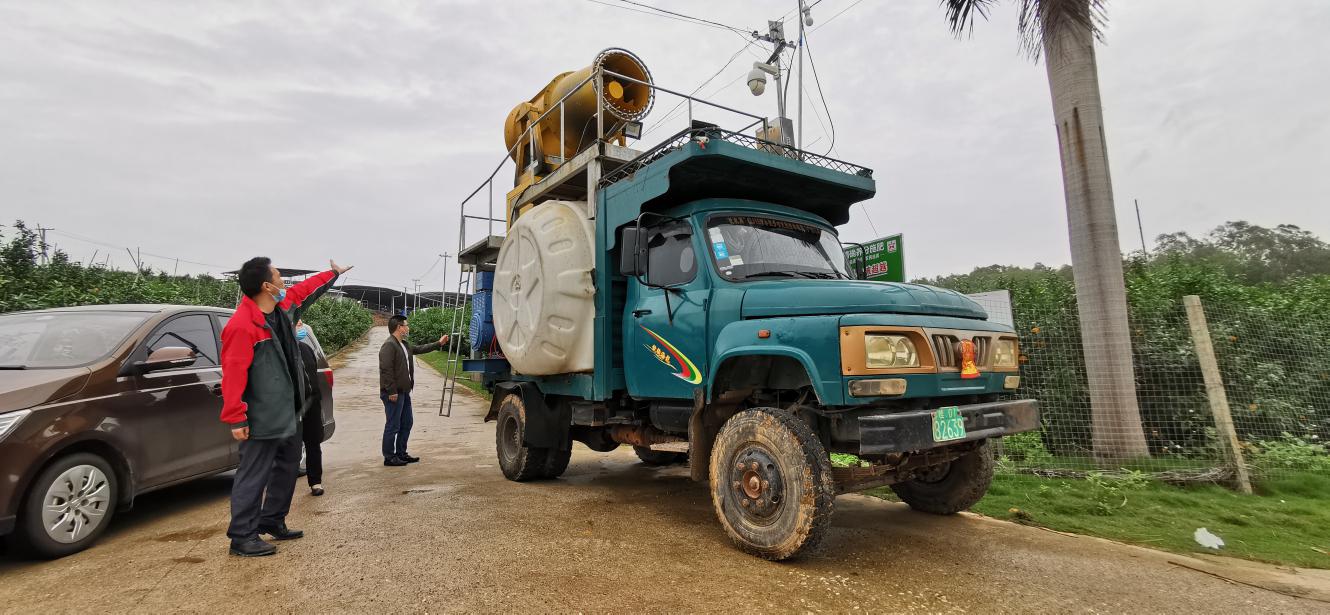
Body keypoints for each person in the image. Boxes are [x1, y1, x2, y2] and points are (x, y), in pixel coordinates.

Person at [220, 257, 350, 557]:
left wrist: (332, 274)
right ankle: (242, 536)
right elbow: (234, 373)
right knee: (254, 473)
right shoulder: (242, 326)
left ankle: (272, 519)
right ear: (266, 286)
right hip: (262, 415)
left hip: (291, 412)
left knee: (288, 465)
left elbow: (304, 290)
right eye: (279, 277)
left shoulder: (281, 310)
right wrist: (236, 416)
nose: (284, 283)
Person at [379, 315, 447, 466]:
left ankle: (401, 453)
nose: (408, 328)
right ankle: (389, 457)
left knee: (407, 422)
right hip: (394, 393)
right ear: (399, 327)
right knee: (393, 425)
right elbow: (386, 369)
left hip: (404, 392)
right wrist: (391, 391)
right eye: (406, 325)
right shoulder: (389, 345)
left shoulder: (403, 344)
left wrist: (438, 343)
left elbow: (419, 349)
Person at [295, 319, 327, 497]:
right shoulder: (282, 352)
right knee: (290, 447)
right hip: (292, 407)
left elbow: (314, 377)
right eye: (298, 324)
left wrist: (318, 402)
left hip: (312, 404)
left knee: (313, 443)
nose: (302, 327)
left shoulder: (306, 349)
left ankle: (315, 482)